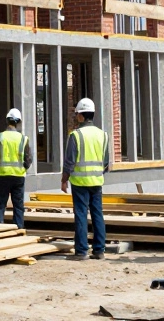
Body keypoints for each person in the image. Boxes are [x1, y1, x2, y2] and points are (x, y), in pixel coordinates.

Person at [61, 98, 110, 260]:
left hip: (80, 183)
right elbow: (106, 162)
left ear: (81, 116)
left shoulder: (76, 135)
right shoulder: (103, 135)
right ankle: (99, 250)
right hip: (96, 182)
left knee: (81, 214)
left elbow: (70, 161)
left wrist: (64, 179)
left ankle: (81, 251)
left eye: (77, 115)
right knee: (97, 214)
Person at [0, 108, 31, 229]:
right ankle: (18, 229)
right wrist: (24, 168)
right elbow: (28, 159)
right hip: (18, 176)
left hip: (3, 175)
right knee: (18, 205)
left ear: (7, 120)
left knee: (0, 204)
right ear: (18, 122)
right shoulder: (23, 139)